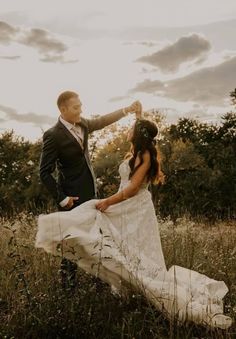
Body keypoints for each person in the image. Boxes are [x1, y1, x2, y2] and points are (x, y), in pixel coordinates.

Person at [36, 119, 232, 329]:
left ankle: (150, 291)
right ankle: (122, 285)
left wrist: (107, 202)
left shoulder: (145, 155)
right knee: (117, 239)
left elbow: (132, 189)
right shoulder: (135, 153)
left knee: (135, 247)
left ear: (138, 133)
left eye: (131, 128)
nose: (128, 130)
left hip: (136, 208)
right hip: (126, 206)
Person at [39, 90, 141, 288]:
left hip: (91, 195)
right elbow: (44, 172)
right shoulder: (52, 135)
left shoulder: (83, 124)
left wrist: (127, 110)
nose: (81, 110)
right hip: (72, 200)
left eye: (80, 106)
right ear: (63, 109)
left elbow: (102, 121)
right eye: (76, 107)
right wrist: (62, 198)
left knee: (98, 240)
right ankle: (68, 287)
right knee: (71, 244)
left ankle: (101, 282)